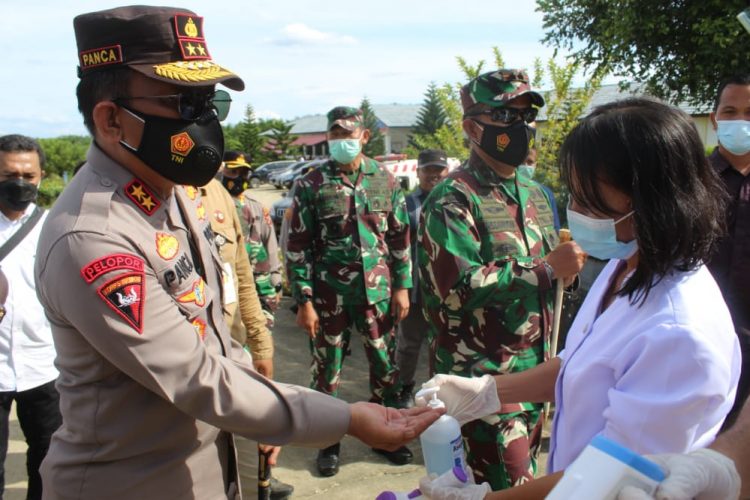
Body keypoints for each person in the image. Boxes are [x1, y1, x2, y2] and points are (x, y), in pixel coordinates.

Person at [33, 7, 441, 499]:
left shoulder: (170, 194)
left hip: (206, 457)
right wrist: (343, 418)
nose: (204, 122)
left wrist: (267, 415)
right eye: (184, 103)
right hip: (131, 481)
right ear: (112, 119)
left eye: (210, 102)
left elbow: (213, 326)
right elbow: (196, 376)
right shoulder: (93, 237)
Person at [418, 97, 741, 499]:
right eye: (573, 195)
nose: (574, 212)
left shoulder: (678, 336)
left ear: (653, 202)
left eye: (588, 202)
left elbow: (613, 477)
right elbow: (584, 364)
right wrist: (489, 392)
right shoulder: (626, 266)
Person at [418, 69, 585, 490]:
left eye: (526, 117)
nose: (523, 128)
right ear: (473, 127)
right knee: (511, 491)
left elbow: (557, 275)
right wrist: (546, 269)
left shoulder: (537, 194)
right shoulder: (453, 198)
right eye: (507, 116)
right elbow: (456, 290)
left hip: (537, 376)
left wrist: (567, 269)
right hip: (484, 382)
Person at [286, 105, 413, 476]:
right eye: (335, 134)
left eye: (348, 134)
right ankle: (327, 442)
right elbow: (298, 247)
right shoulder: (311, 183)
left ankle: (386, 436)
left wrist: (403, 287)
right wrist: (304, 301)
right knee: (327, 370)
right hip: (329, 297)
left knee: (385, 367)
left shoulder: (384, 180)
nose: (342, 141)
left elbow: (399, 237)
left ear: (364, 137)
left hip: (378, 294)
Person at [197, 178, 293, 498]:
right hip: (186, 376)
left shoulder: (214, 193)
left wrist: (261, 343)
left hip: (233, 357)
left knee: (247, 474)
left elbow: (241, 277)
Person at [0, 134, 61, 500]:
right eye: (9, 174)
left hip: (45, 365)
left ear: (41, 176)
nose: (20, 183)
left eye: (28, 175)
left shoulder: (55, 226)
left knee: (48, 465)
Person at [706, 74, 750, 429]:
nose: (740, 121)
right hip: (704, 339)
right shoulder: (692, 181)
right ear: (714, 118)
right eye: (731, 111)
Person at [394, 148, 449, 408]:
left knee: (442, 346)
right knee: (409, 345)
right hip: (416, 290)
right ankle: (404, 390)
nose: (434, 175)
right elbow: (396, 246)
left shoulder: (454, 200)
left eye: (439, 170)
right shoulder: (407, 203)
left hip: (447, 291)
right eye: (428, 170)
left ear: (446, 171)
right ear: (418, 172)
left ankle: (437, 393)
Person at [221, 151, 283, 329]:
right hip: (228, 286)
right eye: (233, 172)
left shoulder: (256, 207)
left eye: (243, 173)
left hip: (257, 285)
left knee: (260, 332)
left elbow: (270, 244)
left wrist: (276, 280)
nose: (239, 178)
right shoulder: (211, 204)